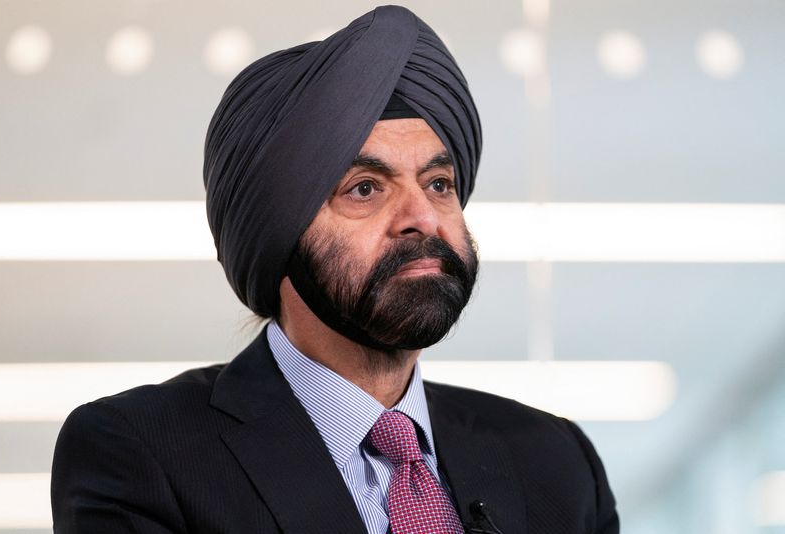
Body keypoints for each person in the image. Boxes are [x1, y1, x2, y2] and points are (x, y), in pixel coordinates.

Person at [51, 5, 618, 534]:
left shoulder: (555, 461)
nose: (422, 217)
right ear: (279, 233)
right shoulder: (140, 453)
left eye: (439, 184)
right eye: (365, 189)